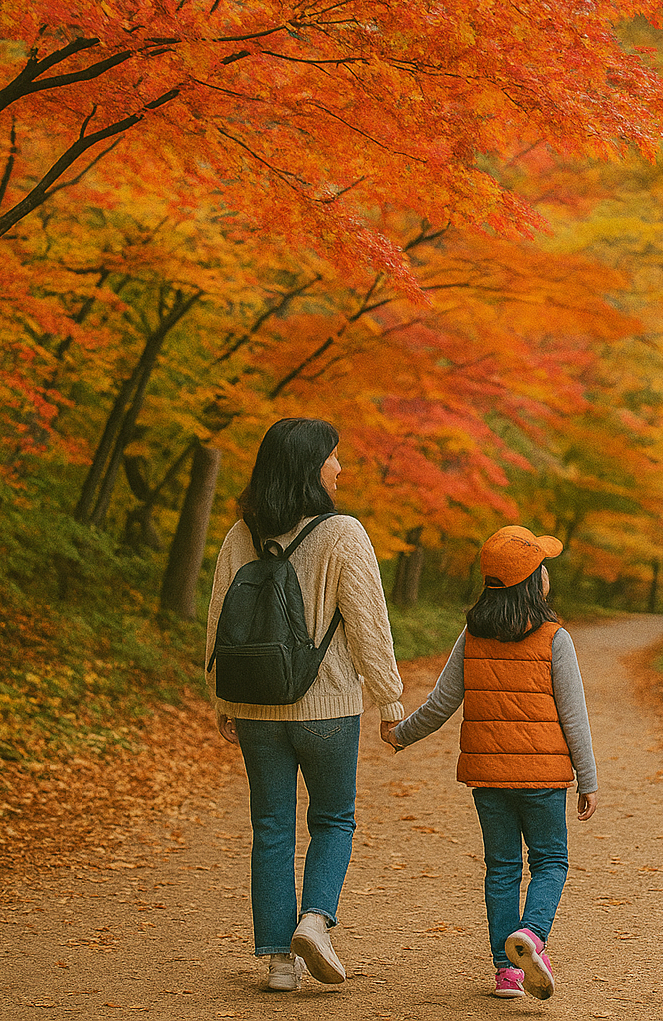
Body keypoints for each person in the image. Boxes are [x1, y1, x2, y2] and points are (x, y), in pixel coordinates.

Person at [205, 417, 406, 991]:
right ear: (309, 467)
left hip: (258, 707)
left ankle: (277, 963)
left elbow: (220, 617)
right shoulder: (344, 534)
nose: (339, 469)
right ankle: (315, 922)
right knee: (333, 819)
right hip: (327, 707)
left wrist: (223, 695)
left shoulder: (239, 534)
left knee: (270, 826)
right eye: (332, 459)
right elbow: (369, 624)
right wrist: (389, 698)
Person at [384, 525, 598, 1001]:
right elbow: (574, 714)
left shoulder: (472, 636)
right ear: (533, 580)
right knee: (550, 861)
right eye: (542, 565)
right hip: (543, 779)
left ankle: (507, 973)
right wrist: (588, 777)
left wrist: (400, 735)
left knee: (502, 868)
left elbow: (441, 704)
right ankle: (533, 937)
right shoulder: (554, 638)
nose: (546, 571)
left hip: (489, 779)